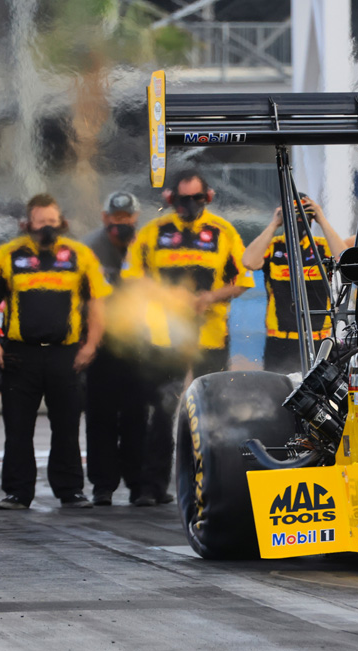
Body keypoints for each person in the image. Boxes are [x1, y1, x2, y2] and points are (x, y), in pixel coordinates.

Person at [122, 170, 253, 506]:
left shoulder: (223, 232)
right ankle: (150, 487)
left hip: (210, 335)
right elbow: (133, 276)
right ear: (171, 199)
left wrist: (209, 298)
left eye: (197, 198)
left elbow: (242, 279)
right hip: (165, 338)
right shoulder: (153, 232)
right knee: (162, 412)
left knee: (213, 413)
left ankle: (215, 484)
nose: (191, 205)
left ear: (207, 197)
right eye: (184, 200)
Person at [0, 193, 111, 510]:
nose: (47, 228)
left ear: (61, 222)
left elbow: (97, 302)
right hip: (19, 355)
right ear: (27, 224)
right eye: (40, 223)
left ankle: (70, 491)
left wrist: (91, 345)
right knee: (18, 428)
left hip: (64, 354)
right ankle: (17, 492)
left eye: (52, 222)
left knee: (66, 426)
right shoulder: (8, 255)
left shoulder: (80, 255)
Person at [82, 192, 146, 506]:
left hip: (139, 346)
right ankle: (102, 485)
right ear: (106, 217)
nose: (121, 223)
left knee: (137, 417)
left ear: (136, 217)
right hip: (103, 345)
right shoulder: (89, 248)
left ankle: (139, 485)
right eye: (116, 217)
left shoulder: (145, 244)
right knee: (100, 417)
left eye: (127, 218)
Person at [242, 194, 347, 374]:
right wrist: (274, 223)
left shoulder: (321, 247)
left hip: (318, 340)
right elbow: (249, 261)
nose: (297, 220)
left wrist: (320, 218)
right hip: (281, 340)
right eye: (292, 214)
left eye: (302, 215)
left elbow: (345, 259)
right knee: (277, 394)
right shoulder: (273, 246)